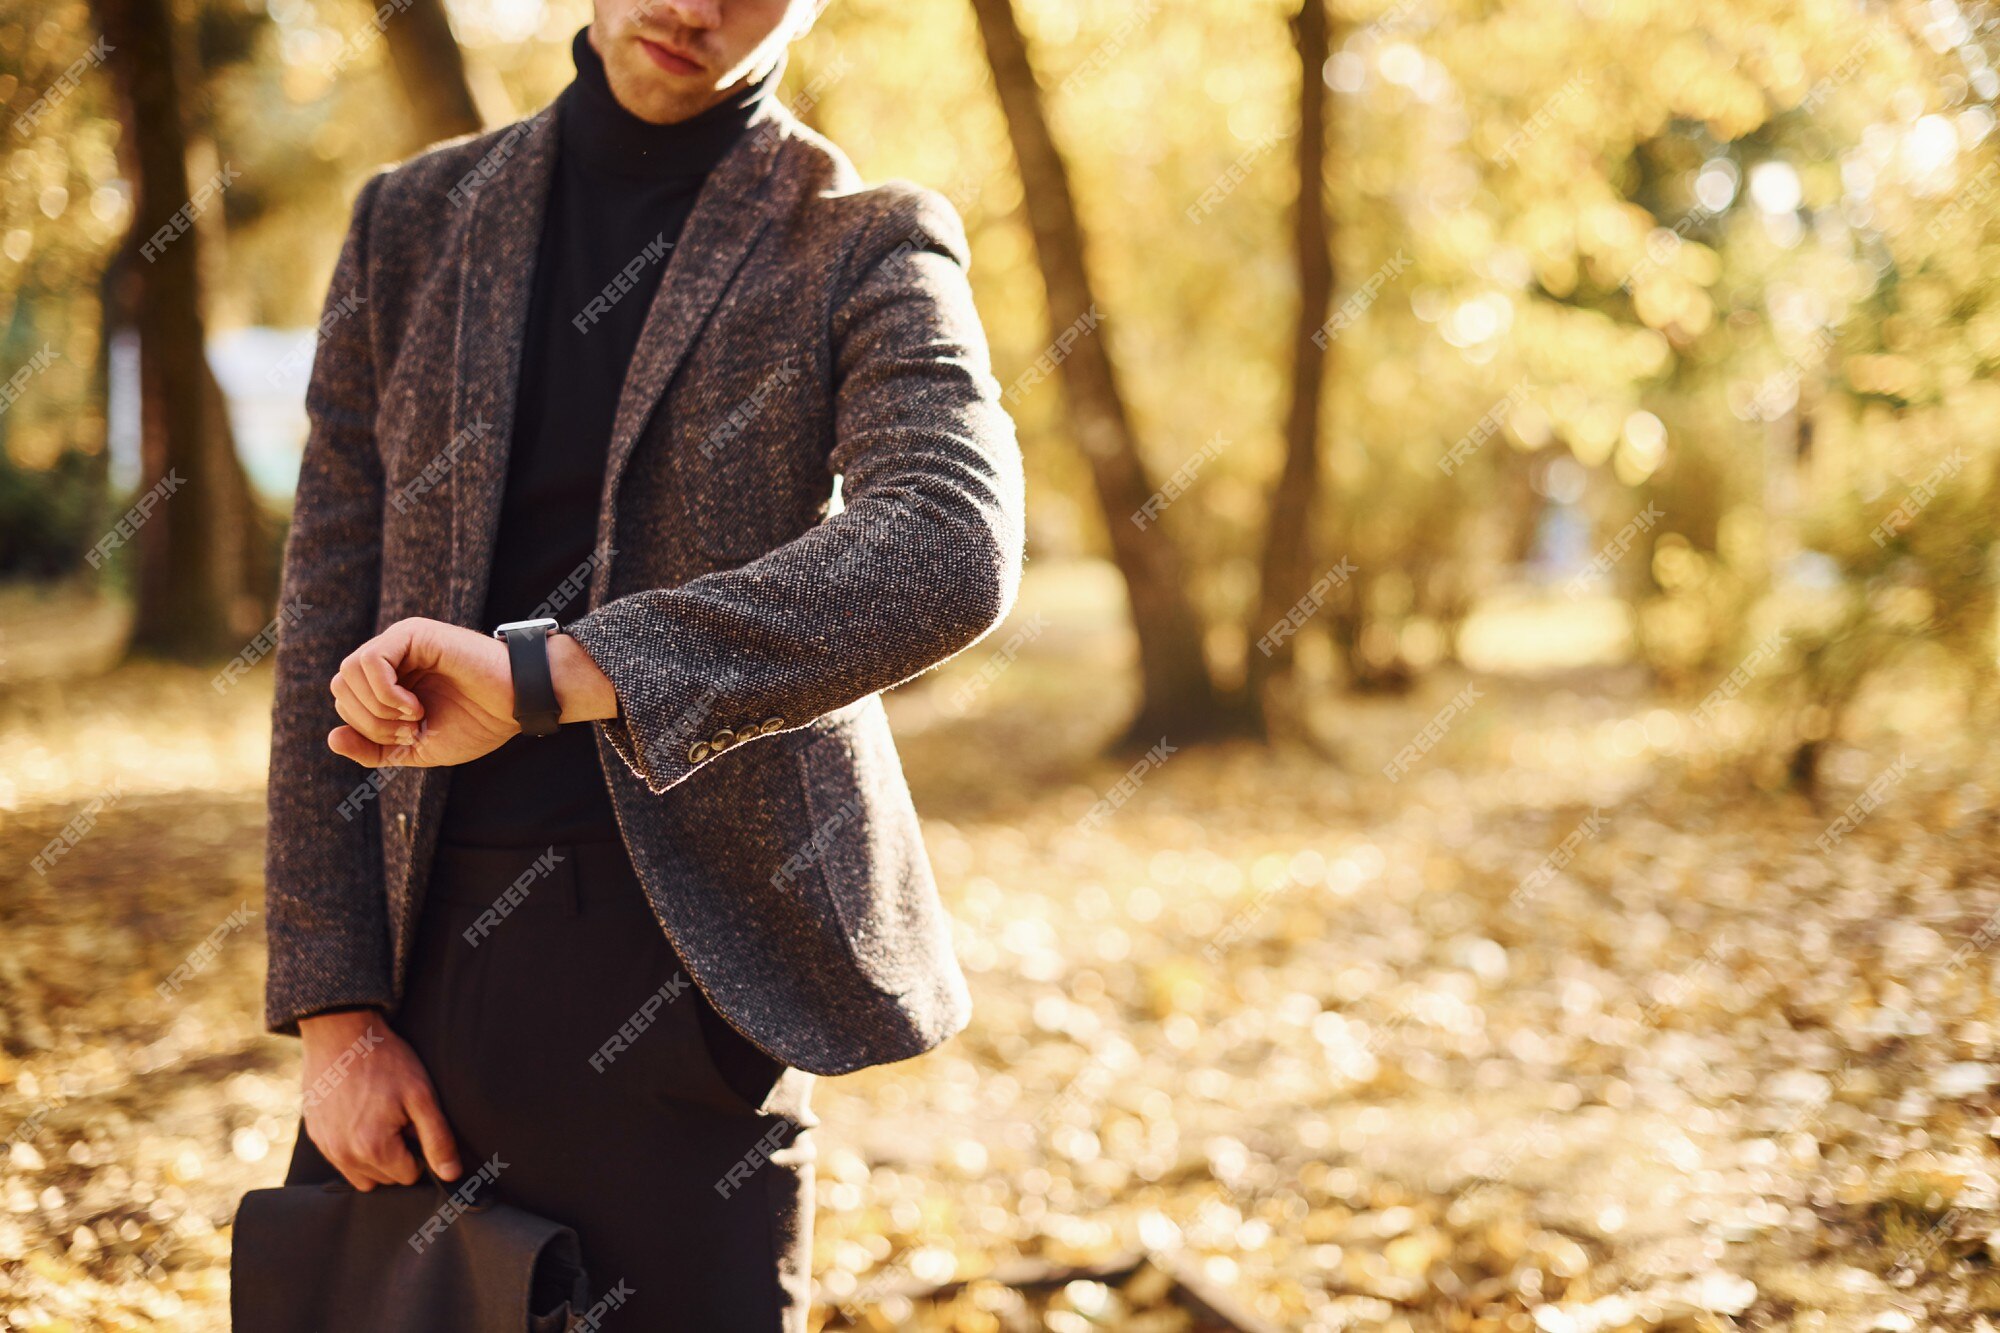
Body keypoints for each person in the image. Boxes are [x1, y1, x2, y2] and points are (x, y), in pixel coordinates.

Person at [258, 0, 1025, 1323]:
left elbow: (949, 542)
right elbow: (323, 621)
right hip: (430, 973)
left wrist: (564, 669)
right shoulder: (408, 223)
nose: (693, 5)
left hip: (696, 986)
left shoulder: (868, 237)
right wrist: (335, 1013)